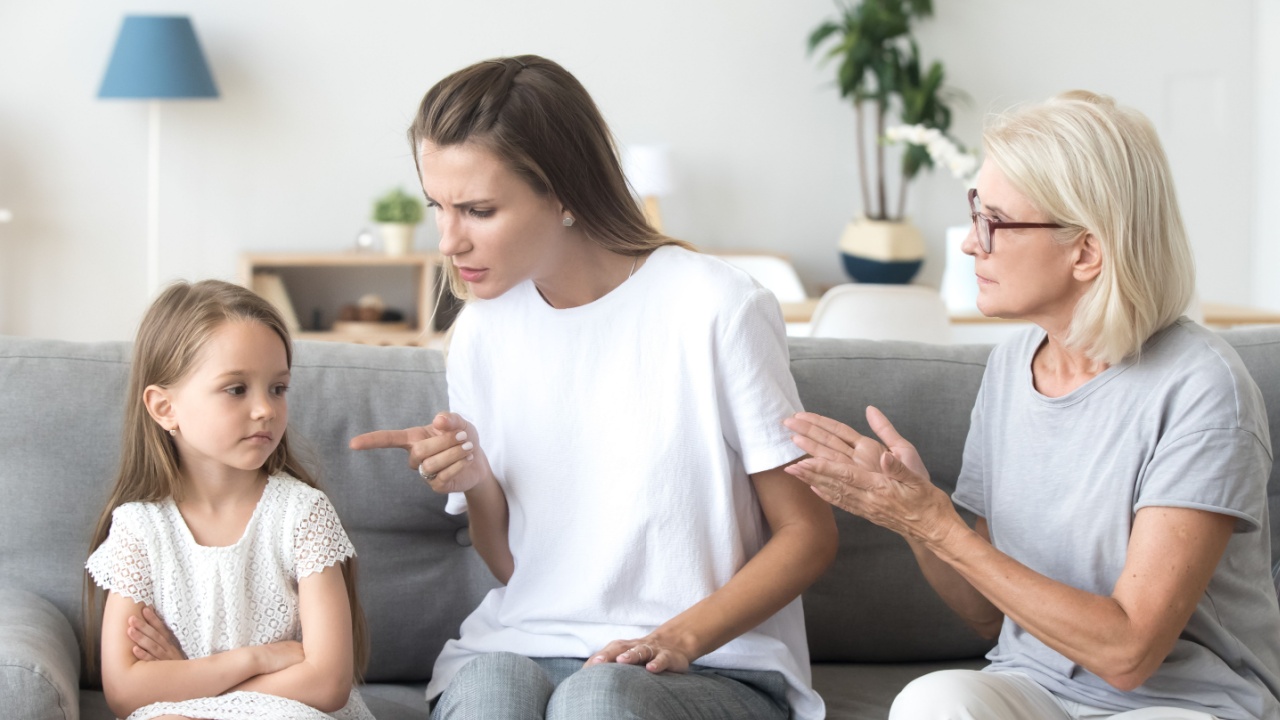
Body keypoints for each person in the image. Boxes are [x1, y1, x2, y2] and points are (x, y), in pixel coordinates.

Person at [350, 55, 837, 720]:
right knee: (490, 696)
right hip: (526, 643)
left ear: (565, 193)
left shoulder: (716, 307)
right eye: (438, 207)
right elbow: (519, 572)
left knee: (599, 699)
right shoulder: (481, 332)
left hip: (714, 662)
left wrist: (676, 637)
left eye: (478, 210)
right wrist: (475, 478)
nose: (448, 239)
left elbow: (807, 534)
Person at [785, 91, 1280, 720]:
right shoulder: (1009, 367)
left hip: (1183, 703)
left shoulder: (1201, 387)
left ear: (1087, 251)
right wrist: (912, 520)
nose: (970, 244)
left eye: (994, 220)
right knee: (932, 701)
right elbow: (989, 616)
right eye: (975, 213)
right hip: (1035, 689)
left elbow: (1129, 652)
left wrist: (939, 524)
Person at [84, 279, 373, 720]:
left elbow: (327, 683)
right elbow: (125, 691)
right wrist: (255, 659)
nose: (266, 410)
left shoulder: (302, 514)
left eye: (278, 388)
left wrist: (185, 677)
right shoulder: (138, 530)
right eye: (237, 389)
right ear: (165, 408)